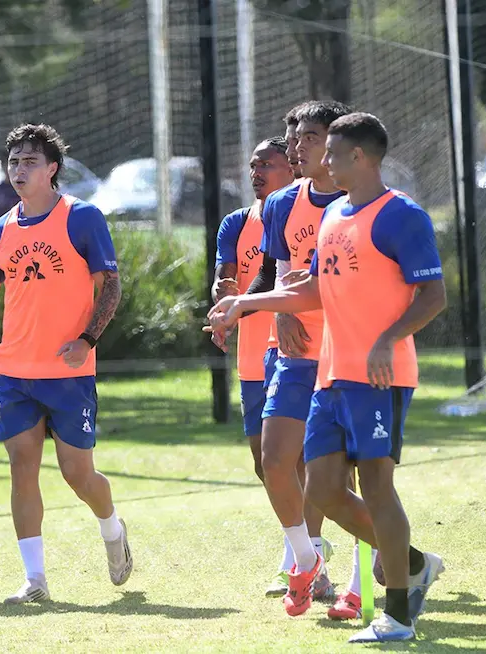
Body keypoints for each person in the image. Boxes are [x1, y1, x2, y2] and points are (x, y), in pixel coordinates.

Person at [207, 112, 445, 642]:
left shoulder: (401, 214)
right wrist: (245, 304)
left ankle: (397, 614)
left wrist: (387, 338)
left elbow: (434, 296)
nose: (318, 160)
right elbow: (315, 289)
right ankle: (414, 563)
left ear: (360, 157)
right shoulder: (334, 214)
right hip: (330, 374)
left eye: (332, 152)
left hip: (380, 375)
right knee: (324, 489)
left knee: (377, 488)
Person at [0, 123, 132, 603]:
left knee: (78, 474)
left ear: (52, 169)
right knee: (22, 468)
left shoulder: (82, 217)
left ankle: (113, 529)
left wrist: (87, 340)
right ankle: (35, 580)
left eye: (30, 161)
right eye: (13, 162)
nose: (19, 170)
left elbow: (111, 286)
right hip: (14, 373)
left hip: (69, 373)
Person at [242, 101, 356, 605]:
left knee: (342, 470)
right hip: (291, 348)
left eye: (309, 136)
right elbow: (277, 274)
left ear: (336, 142)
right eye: (293, 137)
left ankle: (371, 571)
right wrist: (275, 311)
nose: (296, 146)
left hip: (347, 350)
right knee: (276, 461)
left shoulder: (361, 201)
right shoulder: (281, 204)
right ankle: (306, 559)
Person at [211, 136, 294, 583]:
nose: (256, 172)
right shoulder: (237, 222)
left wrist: (236, 306)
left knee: (311, 463)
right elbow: (225, 278)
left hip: (296, 353)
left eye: (267, 164)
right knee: (266, 464)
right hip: (252, 359)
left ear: (292, 169)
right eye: (253, 165)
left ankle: (304, 553)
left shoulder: (301, 216)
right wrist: (222, 302)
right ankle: (304, 544)